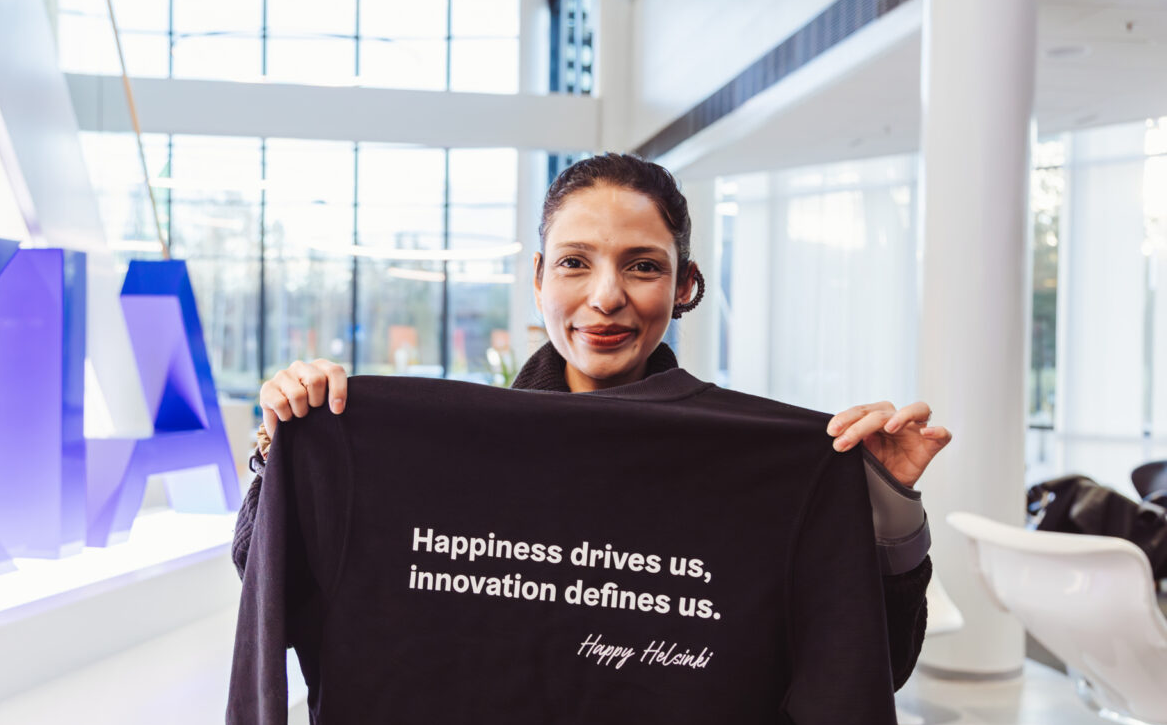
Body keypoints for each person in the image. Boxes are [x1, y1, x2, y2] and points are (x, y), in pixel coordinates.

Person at [233, 152, 951, 689]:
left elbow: (868, 666)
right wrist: (292, 446)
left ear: (684, 286)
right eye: (576, 262)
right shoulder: (445, 456)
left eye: (642, 266)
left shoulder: (754, 473)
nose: (606, 297)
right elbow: (280, 589)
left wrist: (884, 504)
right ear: (539, 277)